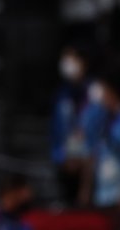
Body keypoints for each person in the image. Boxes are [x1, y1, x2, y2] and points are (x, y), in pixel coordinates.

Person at [78, 72, 120, 230]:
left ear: (113, 91)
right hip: (101, 196)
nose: (100, 95)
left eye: (103, 90)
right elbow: (91, 154)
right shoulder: (100, 118)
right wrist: (85, 189)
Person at [49, 42, 97, 206]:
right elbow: (56, 130)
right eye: (65, 58)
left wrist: (86, 160)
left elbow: (100, 131)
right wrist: (61, 158)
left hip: (91, 170)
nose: (67, 62)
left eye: (72, 58)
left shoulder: (97, 94)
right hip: (66, 165)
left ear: (84, 62)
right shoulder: (61, 94)